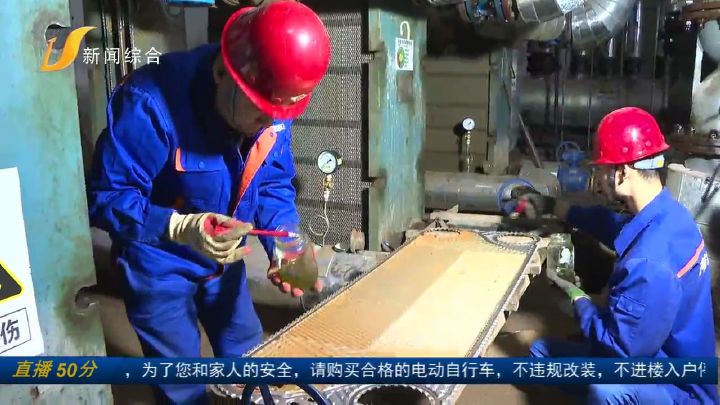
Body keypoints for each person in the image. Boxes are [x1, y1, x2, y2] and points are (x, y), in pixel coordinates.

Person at [85, 2, 331, 403]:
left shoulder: (271, 104)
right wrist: (177, 226)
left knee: (252, 363)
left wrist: (287, 243)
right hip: (158, 268)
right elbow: (107, 196)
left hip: (224, 262)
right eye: (262, 113)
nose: (272, 123)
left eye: (280, 113)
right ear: (222, 74)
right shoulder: (148, 104)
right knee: (183, 386)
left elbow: (271, 183)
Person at [516, 107, 719, 404]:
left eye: (601, 170)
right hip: (656, 352)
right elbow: (611, 225)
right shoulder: (670, 214)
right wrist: (552, 206)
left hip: (679, 388)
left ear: (622, 173)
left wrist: (578, 299)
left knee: (607, 388)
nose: (598, 178)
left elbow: (619, 349)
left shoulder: (649, 263)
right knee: (541, 354)